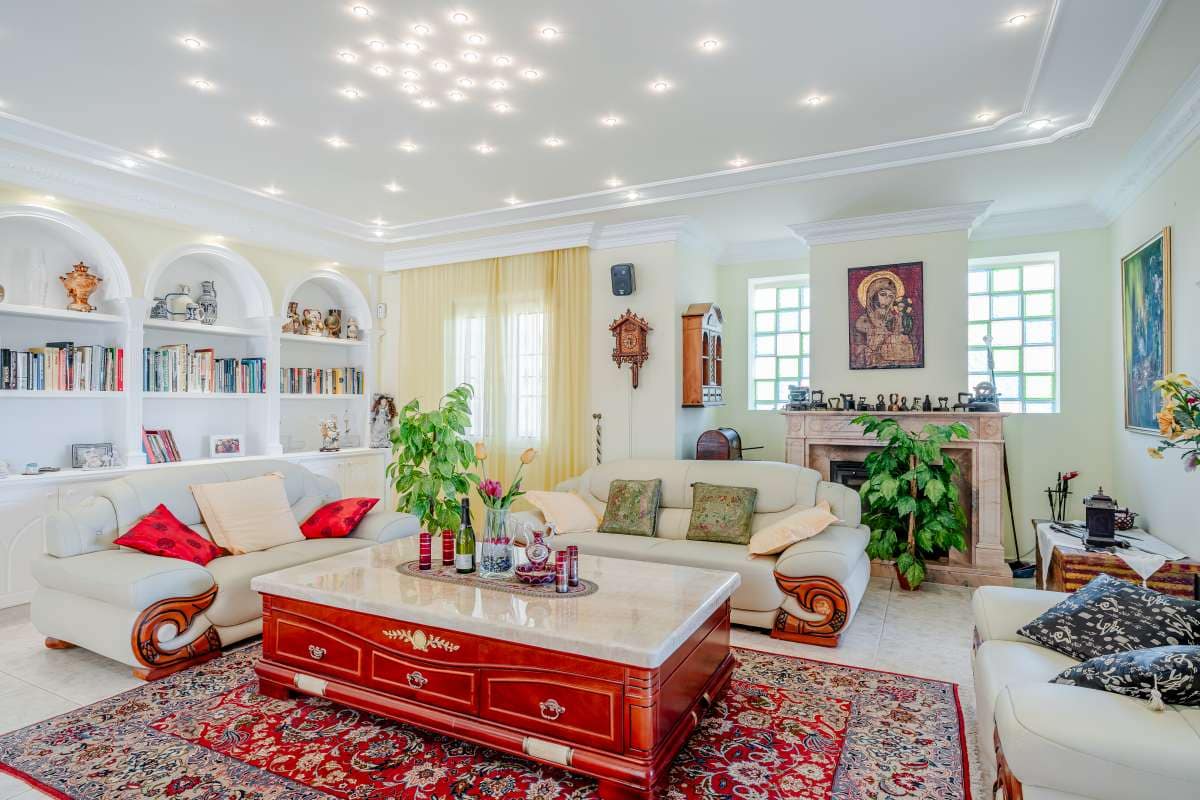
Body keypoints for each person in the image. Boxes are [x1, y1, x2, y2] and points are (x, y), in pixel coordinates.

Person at [853, 272, 916, 367]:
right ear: (873, 296)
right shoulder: (862, 322)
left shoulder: (895, 320)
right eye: (883, 294)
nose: (887, 299)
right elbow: (857, 354)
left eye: (891, 296)